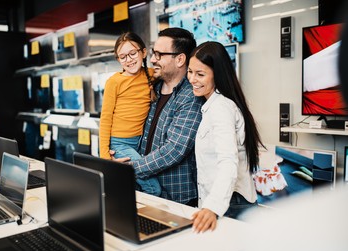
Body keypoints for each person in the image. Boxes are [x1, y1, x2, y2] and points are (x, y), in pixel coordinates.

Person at [112, 27, 204, 206]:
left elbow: (174, 150)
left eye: (159, 55)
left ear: (179, 59)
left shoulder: (191, 96)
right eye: (153, 53)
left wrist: (130, 169)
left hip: (176, 199)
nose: (152, 59)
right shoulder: (153, 87)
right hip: (145, 189)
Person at [187, 41, 264, 233]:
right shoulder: (213, 105)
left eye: (200, 74)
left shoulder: (221, 108)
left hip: (231, 204)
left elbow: (228, 162)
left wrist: (212, 207)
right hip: (226, 202)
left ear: (217, 75)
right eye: (190, 72)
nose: (192, 79)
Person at [99, 32, 161, 196]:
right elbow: (105, 119)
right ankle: (140, 220)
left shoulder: (150, 74)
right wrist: (105, 158)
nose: (129, 59)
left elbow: (170, 71)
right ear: (118, 60)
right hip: (120, 144)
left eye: (132, 53)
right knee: (154, 188)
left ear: (144, 52)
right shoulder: (114, 82)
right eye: (123, 56)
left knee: (130, 186)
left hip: (139, 143)